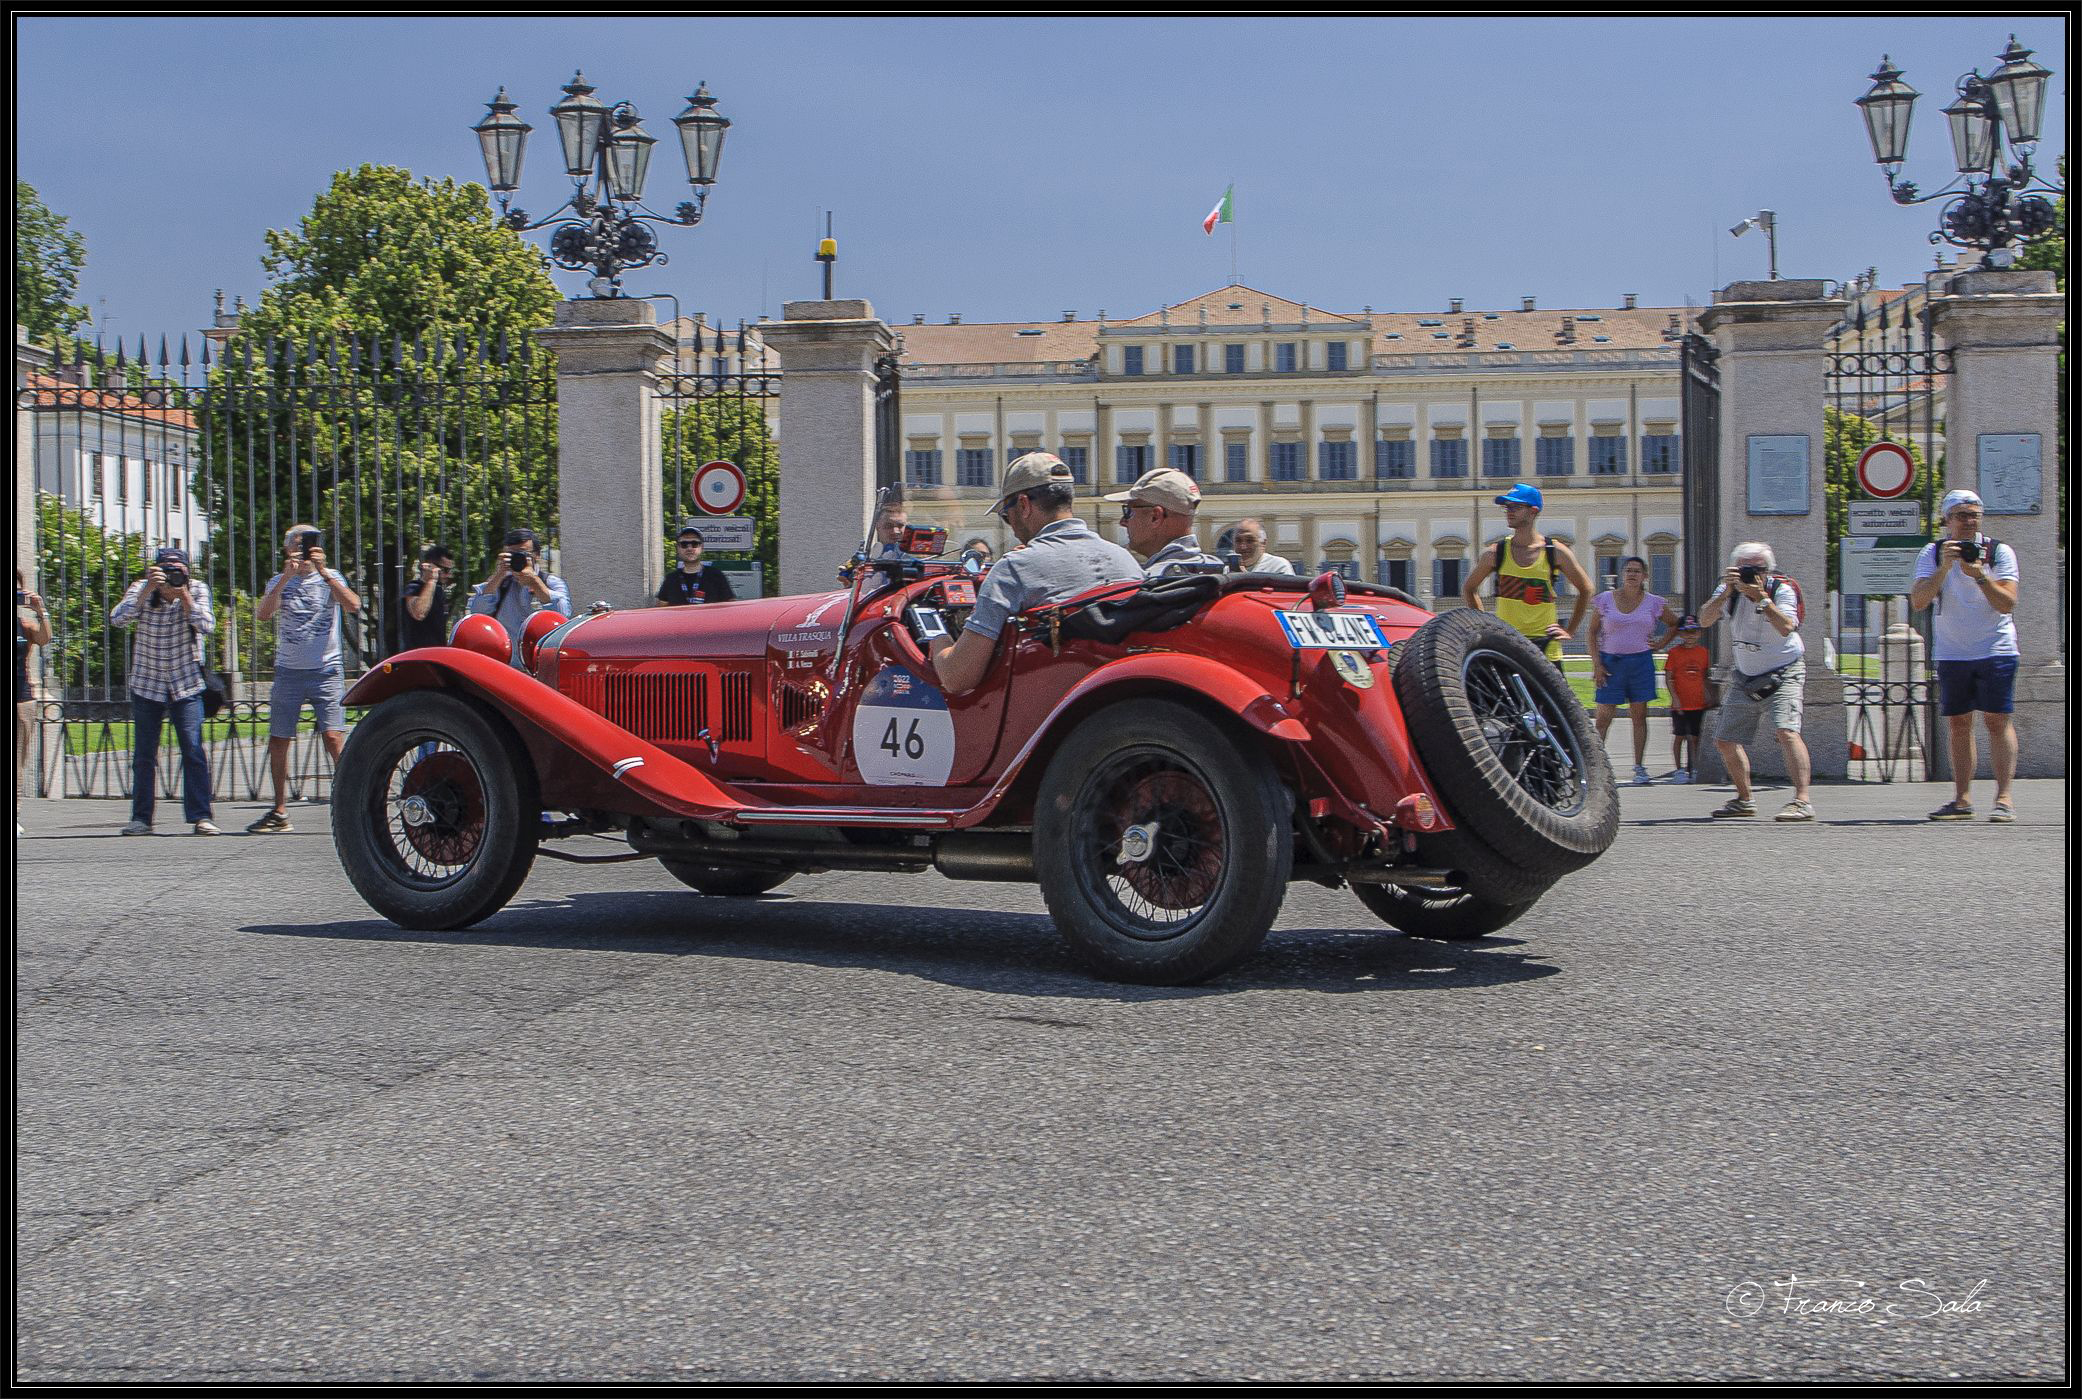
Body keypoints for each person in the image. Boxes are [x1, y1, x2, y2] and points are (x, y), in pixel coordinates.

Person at [926, 452, 1141, 694]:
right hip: (1111, 701)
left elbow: (958, 677)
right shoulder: (1126, 561)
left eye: (1007, 516)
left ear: (1024, 505)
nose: (1013, 528)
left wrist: (936, 635)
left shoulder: (1014, 568)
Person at [1910, 488, 2021, 822]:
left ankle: (2003, 799)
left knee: (1996, 720)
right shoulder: (1931, 554)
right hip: (1953, 650)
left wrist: (1980, 576)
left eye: (1974, 515)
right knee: (1959, 723)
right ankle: (1961, 800)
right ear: (1947, 520)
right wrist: (1945, 568)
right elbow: (1918, 601)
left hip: (1995, 647)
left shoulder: (1999, 552)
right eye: (1961, 515)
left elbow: (2007, 604)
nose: (1969, 522)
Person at [246, 524, 362, 835]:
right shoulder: (278, 580)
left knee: (334, 738)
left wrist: (324, 572)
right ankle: (280, 810)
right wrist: (286, 577)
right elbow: (263, 614)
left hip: (326, 669)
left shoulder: (331, 577)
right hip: (289, 671)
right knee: (279, 739)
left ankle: (353, 805)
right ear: (287, 549)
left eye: (309, 544)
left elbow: (353, 605)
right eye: (297, 544)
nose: (304, 550)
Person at [1699, 541, 1813, 822]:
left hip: (1784, 670)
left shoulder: (1781, 589)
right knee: (1725, 740)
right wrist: (1726, 591)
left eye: (1755, 569)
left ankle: (1802, 800)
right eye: (1743, 569)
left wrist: (1761, 598)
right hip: (1745, 674)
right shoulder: (1729, 591)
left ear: (1768, 571)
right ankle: (1744, 798)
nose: (1749, 574)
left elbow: (1787, 627)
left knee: (1786, 731)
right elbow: (1703, 620)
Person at [108, 546, 219, 836]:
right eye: (166, 568)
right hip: (148, 682)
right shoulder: (141, 589)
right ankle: (141, 818)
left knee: (193, 750)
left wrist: (184, 598)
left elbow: (207, 625)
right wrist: (147, 590)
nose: (171, 574)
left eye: (177, 568)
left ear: (186, 570)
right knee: (144, 754)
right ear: (156, 569)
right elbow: (118, 619)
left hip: (186, 682)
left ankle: (201, 816)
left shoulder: (196, 589)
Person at [1460, 483, 1593, 667]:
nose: (1509, 511)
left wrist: (1569, 630)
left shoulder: (1554, 552)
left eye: (1515, 507)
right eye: (1506, 507)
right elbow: (1469, 588)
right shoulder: (1495, 553)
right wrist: (1484, 625)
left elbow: (1586, 589)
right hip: (1507, 641)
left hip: (1546, 646)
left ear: (1533, 511)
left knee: (1551, 697)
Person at [1585, 555, 1681, 785]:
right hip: (1611, 662)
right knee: (1603, 717)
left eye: (1637, 571)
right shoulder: (1606, 599)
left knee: (1639, 716)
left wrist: (1661, 643)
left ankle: (1639, 767)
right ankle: (1593, 767)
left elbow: (1675, 623)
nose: (1632, 575)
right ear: (1622, 574)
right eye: (1628, 570)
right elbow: (1591, 632)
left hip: (1640, 662)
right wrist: (1597, 663)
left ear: (1645, 576)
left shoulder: (1653, 602)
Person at [465, 527, 571, 666]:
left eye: (523, 553)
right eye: (511, 554)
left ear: (537, 555)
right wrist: (498, 575)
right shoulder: (501, 584)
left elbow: (563, 616)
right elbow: (476, 612)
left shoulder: (550, 583)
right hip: (508, 666)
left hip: (541, 666)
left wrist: (535, 582)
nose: (517, 558)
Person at [1107, 468, 1222, 578]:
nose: (1123, 522)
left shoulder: (1151, 583)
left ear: (1155, 517)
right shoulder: (1220, 572)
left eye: (1128, 512)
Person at [16, 569, 52, 835]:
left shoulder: (24, 626)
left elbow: (44, 639)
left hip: (21, 698)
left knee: (16, 759)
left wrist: (40, 610)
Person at [1662, 613, 1712, 784]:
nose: (1690, 636)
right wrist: (1674, 698)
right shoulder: (1674, 653)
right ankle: (1678, 769)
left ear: (1699, 633)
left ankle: (1695, 767)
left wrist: (1708, 695)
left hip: (1697, 702)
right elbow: (1669, 677)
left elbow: (1704, 676)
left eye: (1694, 631)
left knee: (1696, 737)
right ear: (1680, 634)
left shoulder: (1704, 653)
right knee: (1680, 736)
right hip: (1680, 704)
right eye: (1686, 632)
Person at [656, 522, 738, 606]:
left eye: (694, 544)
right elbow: (661, 610)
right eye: (684, 544)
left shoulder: (716, 575)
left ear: (702, 547)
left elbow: (730, 607)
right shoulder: (670, 579)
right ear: (677, 548)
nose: (689, 548)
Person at [399, 544, 457, 651]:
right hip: (417, 656)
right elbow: (419, 613)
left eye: (450, 571)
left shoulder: (439, 591)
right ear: (431, 566)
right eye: (445, 570)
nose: (448, 575)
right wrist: (431, 580)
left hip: (437, 654)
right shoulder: (414, 587)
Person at [1229, 518, 1294, 575]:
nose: (1243, 547)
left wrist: (1246, 579)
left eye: (1249, 541)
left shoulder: (1278, 566)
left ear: (1263, 543)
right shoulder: (1227, 571)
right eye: (1238, 541)